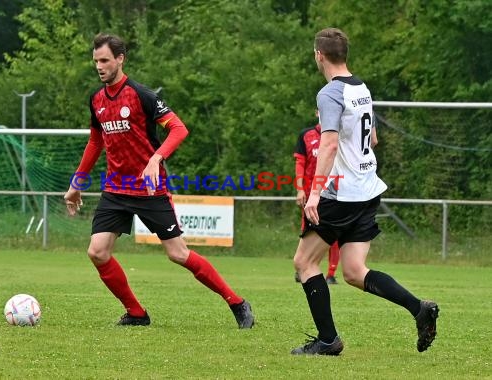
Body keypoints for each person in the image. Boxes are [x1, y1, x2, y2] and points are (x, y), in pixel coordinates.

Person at [64, 33, 254, 329]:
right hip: (116, 189)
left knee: (178, 253)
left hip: (149, 189)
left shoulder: (141, 95)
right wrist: (77, 183)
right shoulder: (97, 100)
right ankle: (136, 313)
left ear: (120, 59)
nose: (99, 66)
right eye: (96, 61)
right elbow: (95, 142)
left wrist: (156, 158)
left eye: (104, 60)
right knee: (97, 251)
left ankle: (237, 303)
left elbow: (178, 129)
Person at [291, 28, 438, 356]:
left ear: (319, 55)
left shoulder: (329, 93)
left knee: (304, 263)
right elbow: (371, 140)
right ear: (345, 54)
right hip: (367, 189)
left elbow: (327, 143)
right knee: (356, 272)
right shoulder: (361, 88)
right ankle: (419, 308)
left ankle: (328, 340)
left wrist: (314, 194)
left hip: (341, 194)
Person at [293, 109, 341, 285]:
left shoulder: (339, 135)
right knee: (308, 230)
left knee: (332, 232)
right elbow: (300, 163)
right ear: (316, 113)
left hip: (332, 192)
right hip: (310, 193)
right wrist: (300, 189)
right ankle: (304, 267)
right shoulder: (306, 135)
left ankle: (331, 273)